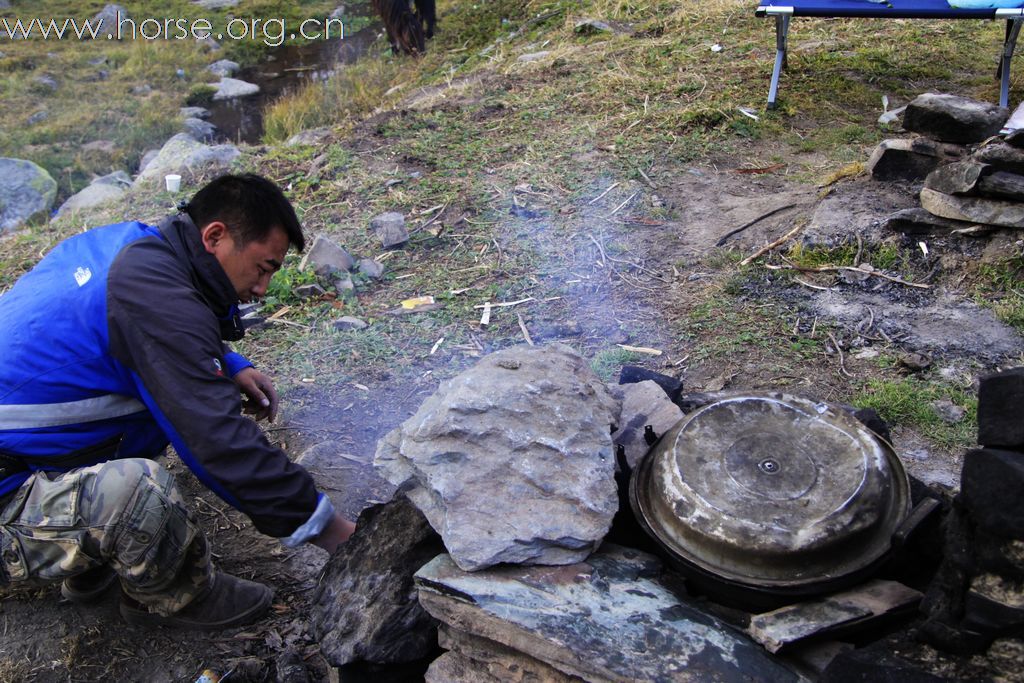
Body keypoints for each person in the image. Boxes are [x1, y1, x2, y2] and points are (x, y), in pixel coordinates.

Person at [0, 173, 356, 631]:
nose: (263, 289)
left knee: (155, 412)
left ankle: (87, 560)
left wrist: (227, 362)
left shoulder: (131, 248)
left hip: (19, 454)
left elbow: (134, 331)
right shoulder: (152, 296)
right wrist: (332, 531)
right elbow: (218, 442)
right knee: (139, 492)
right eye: (263, 268)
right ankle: (171, 597)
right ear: (215, 237)